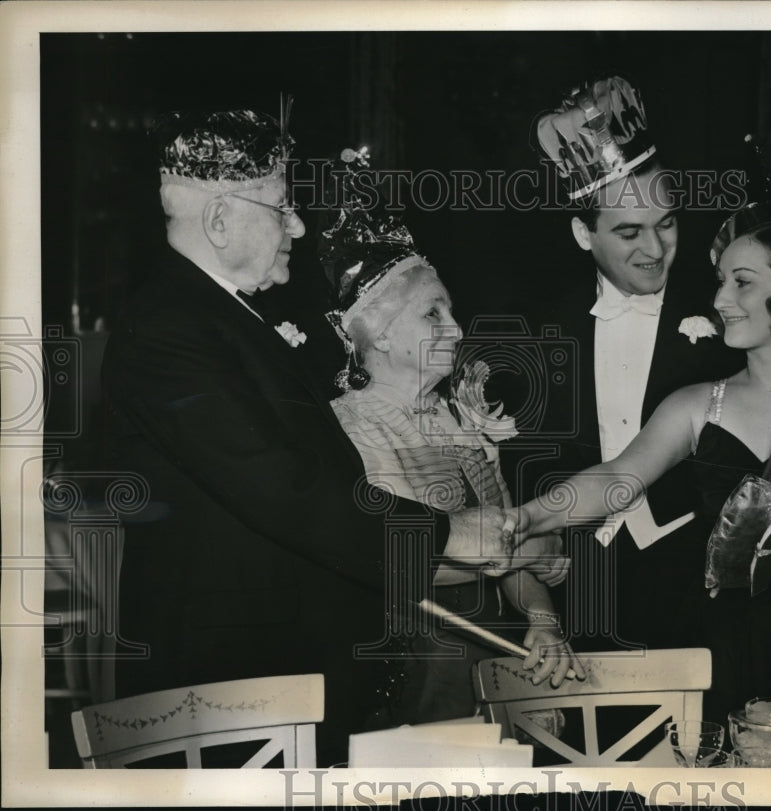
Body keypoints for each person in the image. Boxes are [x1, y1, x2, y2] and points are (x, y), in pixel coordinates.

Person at [101, 110, 526, 766]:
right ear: (219, 220)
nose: (296, 224)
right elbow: (289, 492)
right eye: (280, 205)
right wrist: (449, 535)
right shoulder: (166, 331)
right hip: (222, 704)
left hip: (278, 692)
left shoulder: (231, 321)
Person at [514, 205, 771, 725]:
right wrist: (526, 519)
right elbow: (617, 479)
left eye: (742, 283)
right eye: (721, 281)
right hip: (705, 648)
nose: (720, 299)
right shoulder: (697, 402)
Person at [320, 147, 580, 724]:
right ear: (380, 336)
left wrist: (542, 623)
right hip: (410, 663)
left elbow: (505, 537)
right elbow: (400, 558)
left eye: (451, 311)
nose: (457, 329)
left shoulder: (458, 416)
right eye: (432, 314)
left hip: (489, 652)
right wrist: (527, 547)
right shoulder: (354, 422)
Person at [527, 76, 742, 650]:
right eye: (628, 232)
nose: (654, 250)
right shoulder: (541, 331)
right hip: (583, 590)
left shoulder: (730, 316)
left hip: (706, 590)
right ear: (582, 233)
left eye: (666, 224)